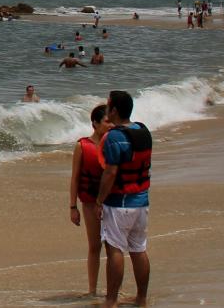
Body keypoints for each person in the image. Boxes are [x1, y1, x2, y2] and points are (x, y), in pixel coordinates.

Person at [96, 91, 152, 308]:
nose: (107, 109)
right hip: (142, 202)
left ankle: (111, 301)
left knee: (114, 250)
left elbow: (110, 173)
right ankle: (142, 298)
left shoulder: (114, 137)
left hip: (119, 204)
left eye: (109, 105)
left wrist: (100, 200)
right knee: (139, 249)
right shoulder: (143, 131)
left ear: (115, 110)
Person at [71, 104, 113, 296]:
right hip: (89, 203)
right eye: (106, 121)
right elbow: (75, 178)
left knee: (114, 247)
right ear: (95, 123)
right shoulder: (82, 145)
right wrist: (73, 207)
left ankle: (113, 289)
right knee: (95, 246)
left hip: (111, 203)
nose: (110, 125)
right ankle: (92, 290)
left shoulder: (113, 143)